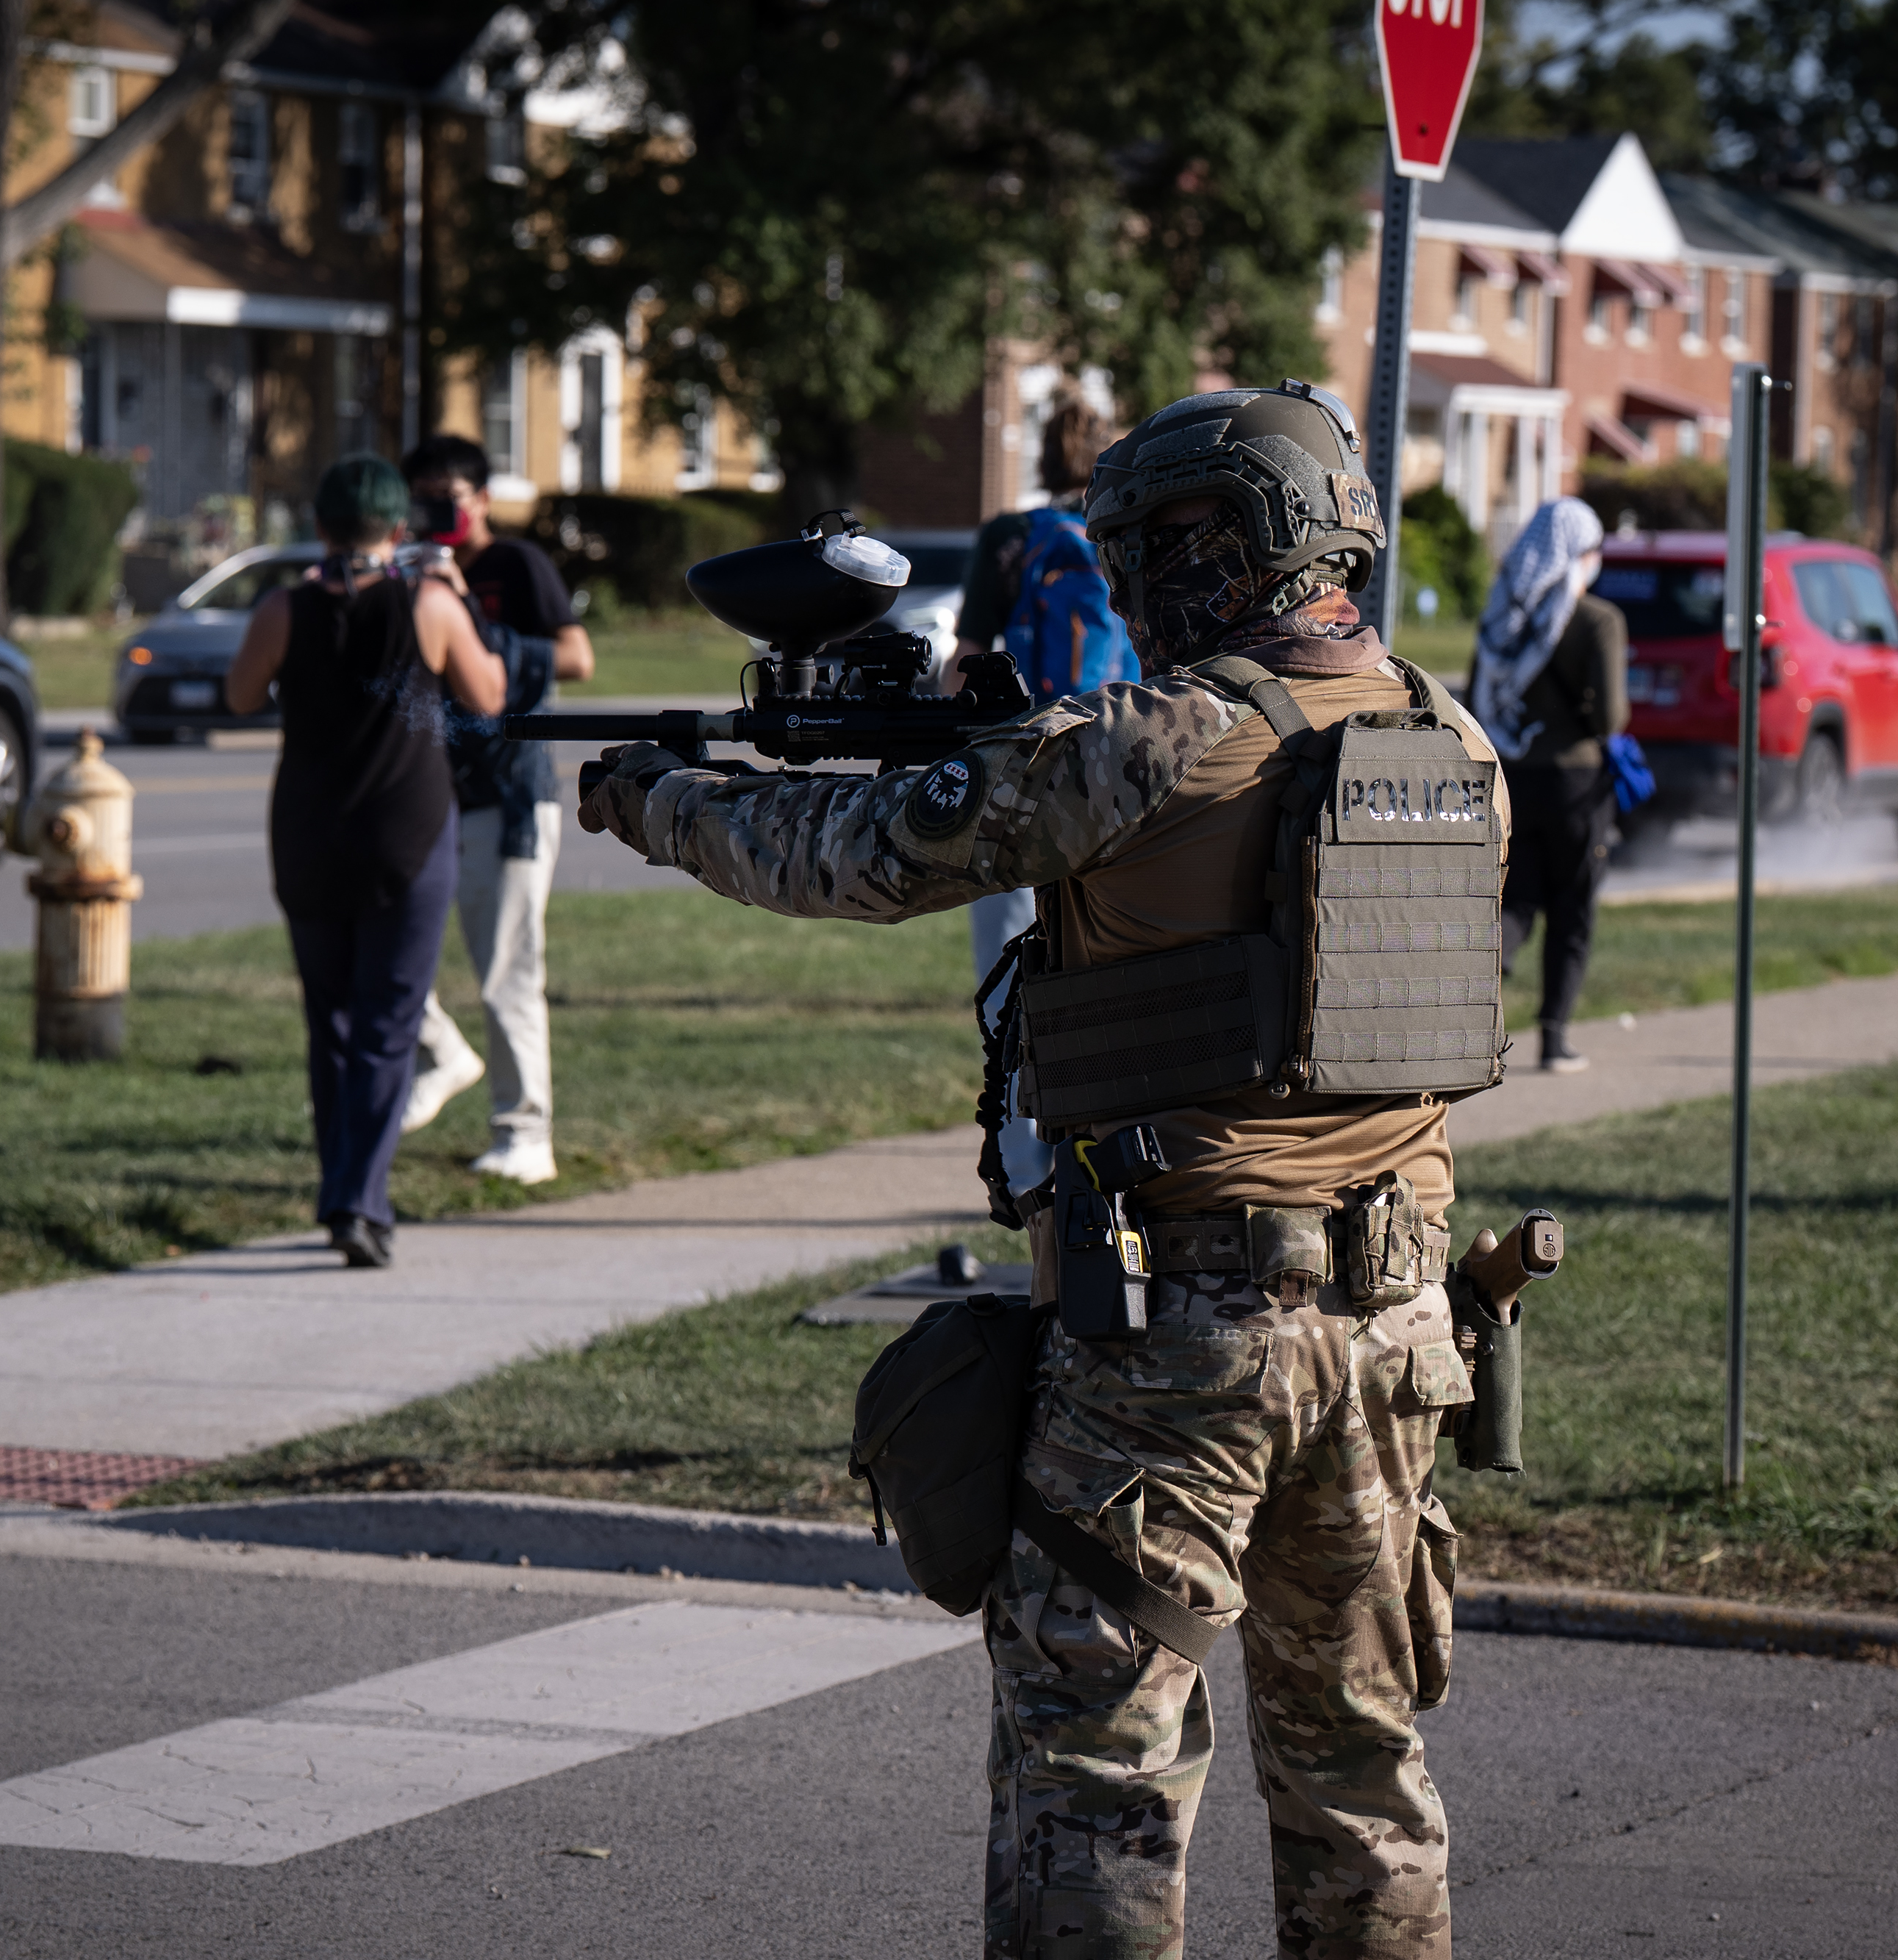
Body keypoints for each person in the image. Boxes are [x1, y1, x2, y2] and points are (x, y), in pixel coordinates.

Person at [581, 383, 1497, 1957]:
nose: (1136, 576)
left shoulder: (1153, 742)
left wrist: (659, 802)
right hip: (1399, 1328)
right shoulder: (1449, 738)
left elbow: (847, 854)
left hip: (1180, 1342)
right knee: (1360, 1768)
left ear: (1247, 539)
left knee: (1099, 1777)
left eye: (1156, 541)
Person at [226, 455, 509, 1268]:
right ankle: (358, 1203)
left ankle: (342, 1193)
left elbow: (240, 695)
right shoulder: (429, 603)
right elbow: (488, 696)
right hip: (407, 836)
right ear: (398, 527)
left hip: (309, 834)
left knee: (334, 1026)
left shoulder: (285, 608)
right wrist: (457, 595)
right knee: (389, 1023)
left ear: (319, 526)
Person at [393, 432, 598, 1185]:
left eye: (447, 497)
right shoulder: (410, 573)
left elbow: (577, 657)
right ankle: (442, 1053)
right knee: (379, 937)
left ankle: (525, 1133)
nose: (434, 512)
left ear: (481, 498)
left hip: (507, 795)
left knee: (506, 969)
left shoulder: (515, 565)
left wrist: (469, 617)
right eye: (421, 500)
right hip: (428, 791)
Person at [948, 400, 1135, 1200]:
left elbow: (963, 668)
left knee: (1010, 987)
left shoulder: (1009, 538)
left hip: (1020, 784)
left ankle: (1029, 1183)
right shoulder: (1128, 530)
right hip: (1121, 782)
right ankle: (1114, 1173)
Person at [1468, 497, 1623, 1074]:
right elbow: (1611, 717)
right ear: (1580, 553)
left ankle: (1470, 1017)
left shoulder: (1500, 617)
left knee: (1514, 902)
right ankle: (1554, 1038)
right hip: (1575, 783)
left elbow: (1477, 697)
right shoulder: (1597, 620)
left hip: (1510, 779)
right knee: (1572, 909)